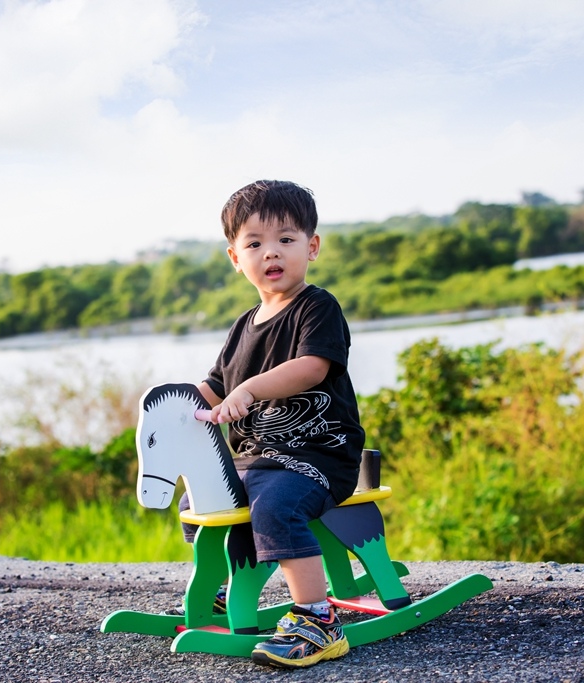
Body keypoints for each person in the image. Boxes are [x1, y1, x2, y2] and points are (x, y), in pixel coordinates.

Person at [186, 179, 366, 669]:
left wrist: (252, 389)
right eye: (255, 243)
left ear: (311, 247)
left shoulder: (317, 307)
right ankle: (234, 583)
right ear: (234, 257)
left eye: (286, 240)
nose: (272, 253)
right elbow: (216, 387)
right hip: (257, 459)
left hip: (317, 455)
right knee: (200, 500)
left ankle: (317, 618)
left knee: (276, 507)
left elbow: (313, 366)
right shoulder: (243, 325)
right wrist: (175, 408)